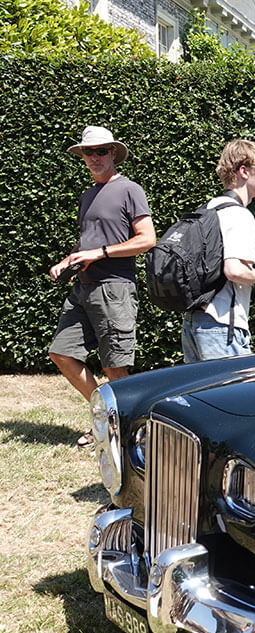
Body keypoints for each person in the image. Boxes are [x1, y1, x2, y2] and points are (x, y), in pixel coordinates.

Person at [49, 126, 155, 446]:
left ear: (113, 154)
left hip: (115, 289)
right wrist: (70, 260)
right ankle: (105, 417)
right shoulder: (88, 195)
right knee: (61, 354)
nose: (94, 157)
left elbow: (147, 240)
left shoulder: (129, 189)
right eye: (88, 152)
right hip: (83, 288)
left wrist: (100, 253)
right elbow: (91, 243)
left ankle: (129, 434)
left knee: (114, 368)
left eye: (101, 151)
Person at [181, 139, 255, 363]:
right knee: (235, 396)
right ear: (244, 171)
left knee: (199, 396)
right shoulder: (239, 214)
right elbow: (233, 270)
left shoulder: (207, 209)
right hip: (222, 326)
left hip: (194, 322)